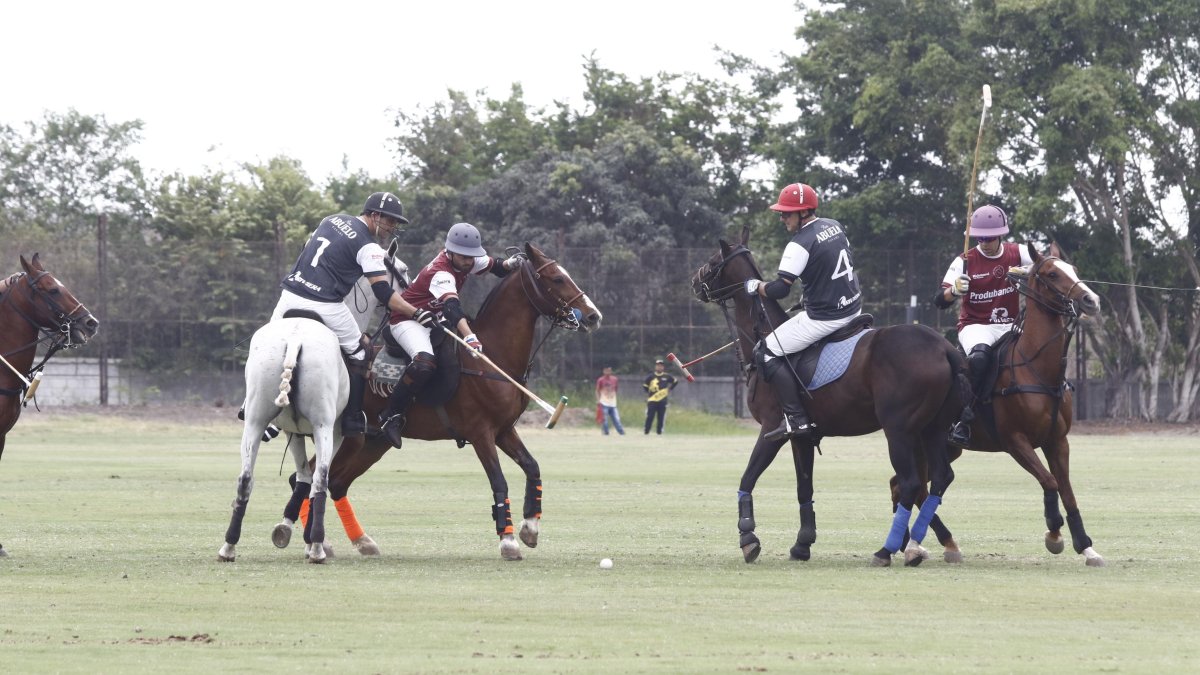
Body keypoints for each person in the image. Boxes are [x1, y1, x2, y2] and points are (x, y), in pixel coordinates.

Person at [271, 192, 427, 438]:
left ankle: (252, 405)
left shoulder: (330, 220)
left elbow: (306, 250)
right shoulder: (370, 247)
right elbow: (383, 292)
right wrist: (416, 311)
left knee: (267, 346)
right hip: (326, 304)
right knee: (361, 351)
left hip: (290, 294)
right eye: (390, 220)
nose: (393, 227)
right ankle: (354, 418)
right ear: (375, 216)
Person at [379, 222, 526, 448]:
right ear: (450, 252)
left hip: (432, 319)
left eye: (471, 256)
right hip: (407, 320)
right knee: (424, 361)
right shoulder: (441, 272)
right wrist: (469, 336)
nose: (469, 261)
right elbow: (452, 308)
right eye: (464, 257)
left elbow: (495, 266)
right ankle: (391, 415)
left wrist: (510, 263)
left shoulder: (467, 259)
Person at [745, 182, 862, 442]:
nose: (782, 218)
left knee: (765, 352)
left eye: (787, 213)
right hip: (853, 307)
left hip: (826, 318)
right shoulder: (834, 226)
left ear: (804, 212)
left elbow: (779, 290)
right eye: (781, 213)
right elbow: (828, 270)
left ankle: (796, 418)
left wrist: (756, 286)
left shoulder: (800, 242)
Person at [936, 204, 1034, 447]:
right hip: (976, 325)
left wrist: (1029, 271)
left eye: (989, 238)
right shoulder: (965, 260)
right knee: (980, 358)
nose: (985, 242)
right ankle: (964, 419)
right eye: (980, 237)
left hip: (1009, 325)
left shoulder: (1018, 252)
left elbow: (1050, 264)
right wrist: (954, 291)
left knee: (1040, 350)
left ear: (1001, 234)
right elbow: (940, 301)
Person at [642, 359, 677, 434]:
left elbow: (675, 381)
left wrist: (670, 389)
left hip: (662, 400)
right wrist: (648, 393)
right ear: (655, 367)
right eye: (658, 366)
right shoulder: (651, 376)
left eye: (661, 366)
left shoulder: (666, 376)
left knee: (661, 417)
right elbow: (645, 386)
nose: (659, 367)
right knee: (650, 416)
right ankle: (646, 431)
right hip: (652, 400)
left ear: (663, 367)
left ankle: (659, 432)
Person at [595, 366, 625, 435]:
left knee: (617, 420)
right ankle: (606, 433)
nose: (608, 372)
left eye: (609, 370)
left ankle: (621, 433)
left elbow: (616, 389)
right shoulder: (600, 380)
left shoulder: (615, 379)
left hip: (613, 404)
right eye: (606, 370)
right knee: (604, 420)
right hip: (604, 403)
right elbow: (597, 390)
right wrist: (598, 400)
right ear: (604, 371)